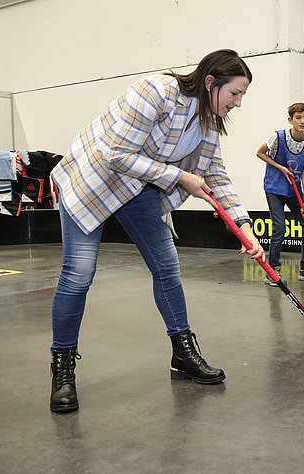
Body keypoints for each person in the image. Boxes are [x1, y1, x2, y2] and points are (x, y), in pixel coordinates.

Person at [48, 49, 265, 413]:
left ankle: (183, 354)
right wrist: (179, 176)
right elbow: (116, 154)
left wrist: (244, 225)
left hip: (140, 188)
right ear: (211, 82)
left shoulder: (208, 121)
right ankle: (63, 369)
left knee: (167, 268)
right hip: (94, 179)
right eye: (235, 94)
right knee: (78, 274)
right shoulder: (155, 92)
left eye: (243, 95)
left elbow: (214, 173)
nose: (238, 103)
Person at [256, 103, 304, 285]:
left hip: (294, 191)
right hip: (274, 188)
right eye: (298, 118)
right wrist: (280, 168)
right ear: (290, 120)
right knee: (279, 227)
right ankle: (273, 271)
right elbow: (260, 153)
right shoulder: (278, 137)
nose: (302, 121)